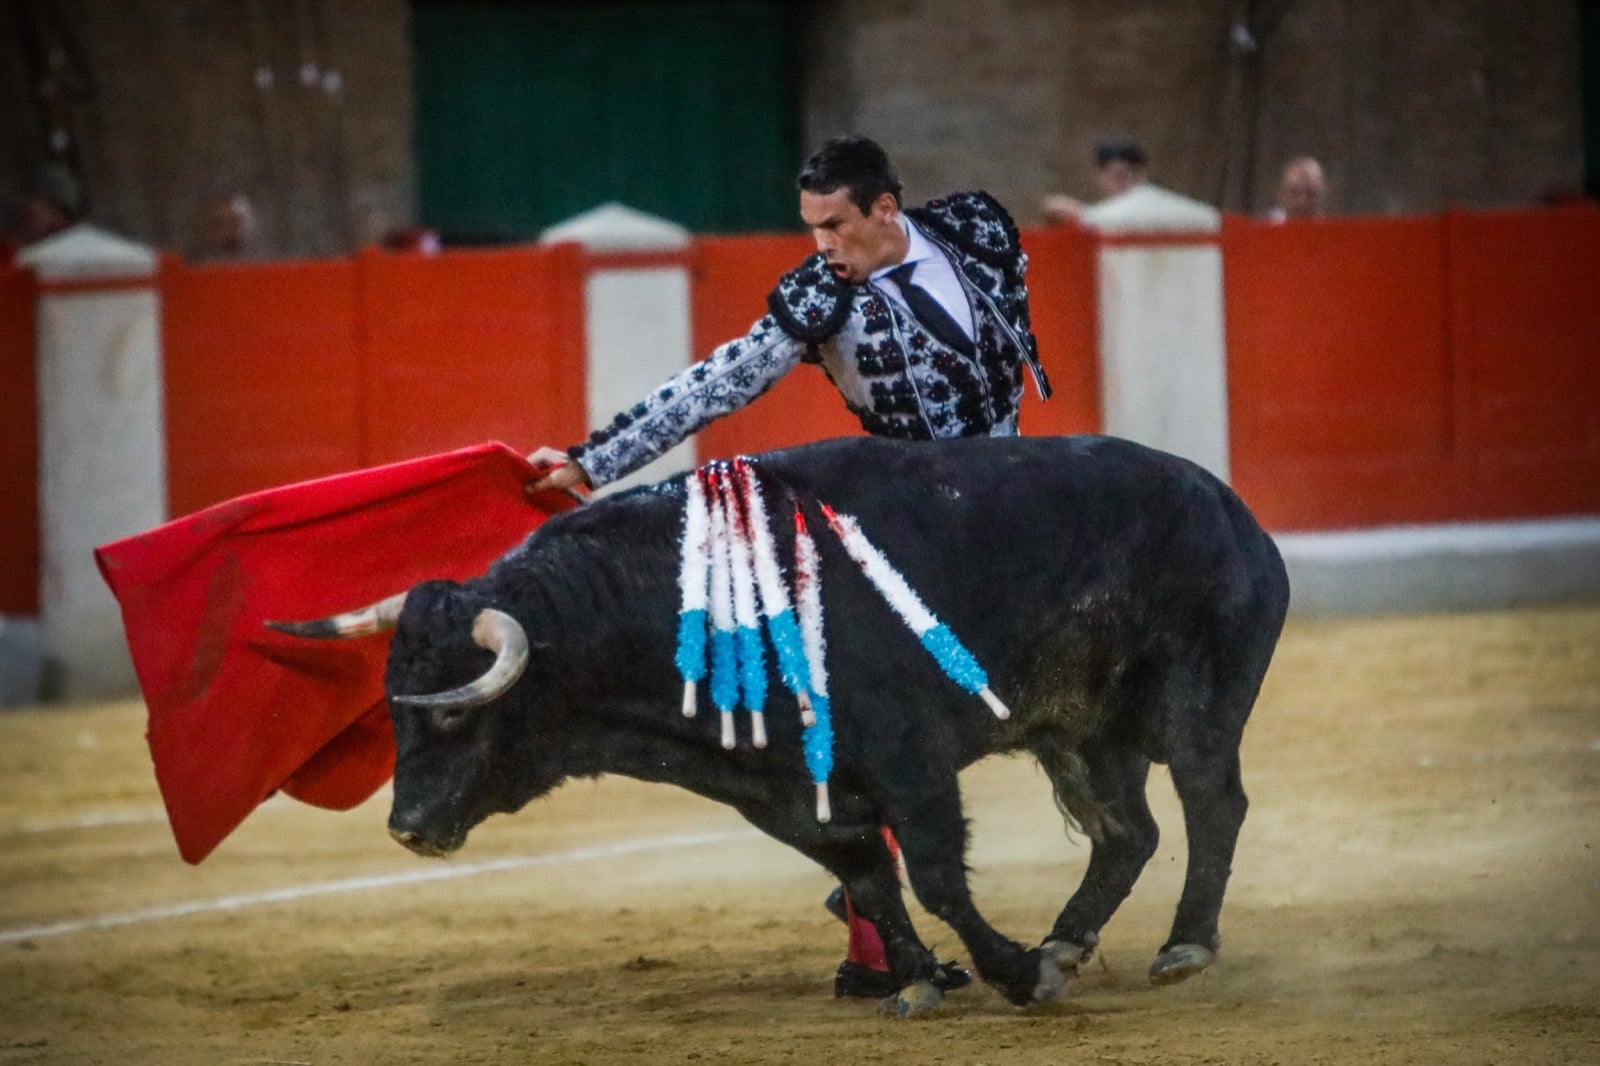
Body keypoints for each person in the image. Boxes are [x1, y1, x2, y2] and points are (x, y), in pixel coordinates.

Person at [528, 135, 1051, 998]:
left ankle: (871, 907)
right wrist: (594, 459)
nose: (822, 246)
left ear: (887, 208)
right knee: (887, 729)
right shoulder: (819, 299)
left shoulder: (975, 229)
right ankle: (874, 934)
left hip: (1016, 497)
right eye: (811, 228)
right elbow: (717, 383)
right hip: (905, 530)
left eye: (836, 225)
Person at [1040, 135, 1150, 224]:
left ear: (1143, 174)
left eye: (1134, 175)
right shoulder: (1099, 214)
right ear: (1100, 177)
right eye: (1119, 176)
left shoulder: (1156, 203)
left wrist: (1080, 213)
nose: (1128, 182)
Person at [196, 193, 261, 260]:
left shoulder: (260, 261)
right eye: (218, 224)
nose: (227, 230)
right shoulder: (196, 264)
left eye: (233, 223)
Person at [1267, 156, 1328, 222]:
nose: (1302, 203)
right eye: (1294, 193)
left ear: (1324, 193)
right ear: (1280, 193)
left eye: (1311, 193)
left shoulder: (1336, 231)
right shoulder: (1266, 230)